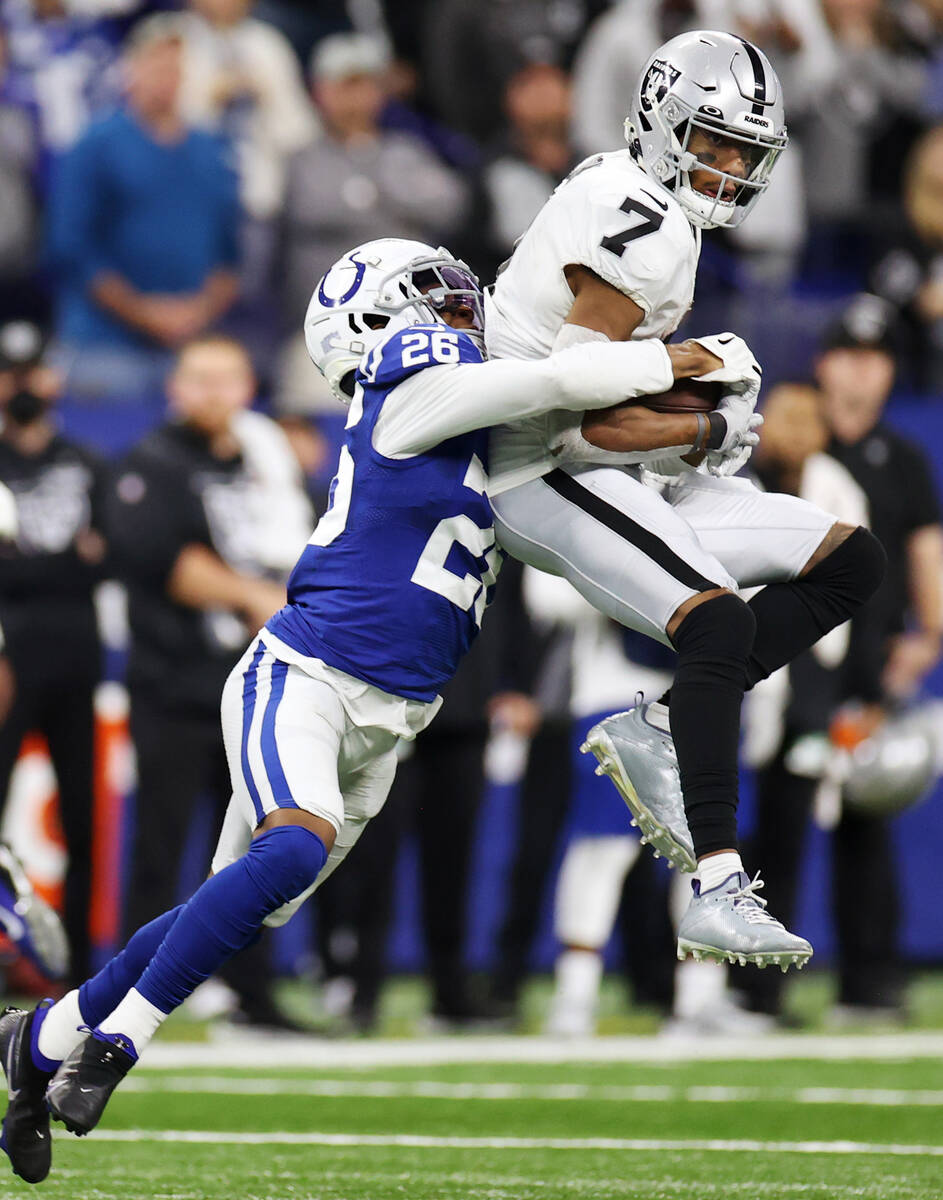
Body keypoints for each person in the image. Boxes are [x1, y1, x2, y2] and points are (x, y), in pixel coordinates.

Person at [0, 236, 740, 1181]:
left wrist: (705, 427)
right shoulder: (406, 394)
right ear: (375, 328)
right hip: (306, 675)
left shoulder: (500, 430)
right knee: (294, 845)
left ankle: (45, 1035)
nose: (461, 308)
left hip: (394, 721)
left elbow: (591, 422)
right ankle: (118, 1044)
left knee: (234, 904)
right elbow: (562, 380)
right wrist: (680, 356)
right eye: (430, 298)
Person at [484, 30, 886, 967]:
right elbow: (570, 407)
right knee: (711, 624)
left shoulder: (640, 200)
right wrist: (700, 422)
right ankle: (713, 886)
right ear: (664, 120)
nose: (731, 166)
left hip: (594, 460)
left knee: (847, 557)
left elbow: (598, 393)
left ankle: (669, 721)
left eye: (746, 152)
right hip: (535, 469)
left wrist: (690, 410)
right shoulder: (645, 221)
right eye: (714, 143)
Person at [105, 332, 312, 1030]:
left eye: (227, 378)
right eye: (200, 378)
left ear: (247, 388)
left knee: (259, 849)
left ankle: (253, 995)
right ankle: (124, 995)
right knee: (160, 847)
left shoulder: (263, 463)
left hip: (253, 688)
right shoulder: (149, 463)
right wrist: (258, 597)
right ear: (175, 387)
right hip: (175, 685)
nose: (214, 392)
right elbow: (169, 563)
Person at [817, 294, 943, 1020]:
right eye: (849, 355)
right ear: (825, 363)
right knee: (777, 811)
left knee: (867, 819)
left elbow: (925, 552)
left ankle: (869, 980)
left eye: (875, 358)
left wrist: (925, 637)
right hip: (801, 657)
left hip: (872, 658)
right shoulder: (801, 443)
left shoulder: (901, 458)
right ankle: (749, 984)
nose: (861, 372)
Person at [45, 16, 240, 407]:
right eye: (156, 63)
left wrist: (197, 310)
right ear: (130, 68)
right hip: (104, 344)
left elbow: (230, 252)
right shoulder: (94, 144)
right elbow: (70, 247)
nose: (167, 76)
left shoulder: (211, 148)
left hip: (189, 347)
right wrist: (143, 312)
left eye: (176, 65)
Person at [0, 319, 106, 985]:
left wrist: (23, 561)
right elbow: (84, 560)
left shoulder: (85, 462)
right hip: (8, 661)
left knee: (82, 819)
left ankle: (76, 965)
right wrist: (69, 559)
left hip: (75, 660)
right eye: (11, 374)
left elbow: (113, 557)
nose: (22, 386)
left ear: (53, 378)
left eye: (31, 372)